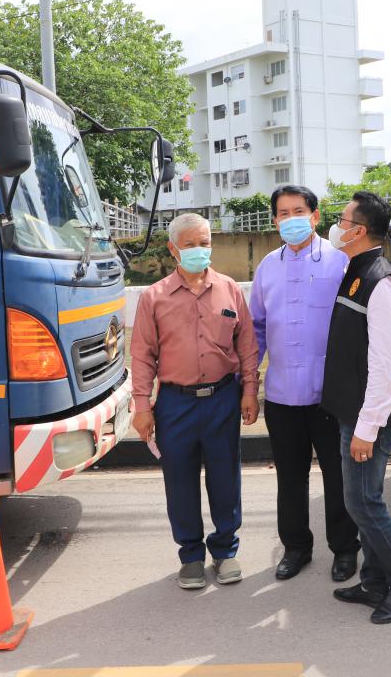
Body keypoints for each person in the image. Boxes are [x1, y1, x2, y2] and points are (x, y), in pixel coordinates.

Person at [130, 213, 260, 590]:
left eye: (205, 243)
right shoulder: (154, 297)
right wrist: (142, 406)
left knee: (225, 478)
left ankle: (225, 550)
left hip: (223, 398)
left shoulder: (229, 289)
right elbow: (142, 355)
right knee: (180, 481)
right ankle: (190, 555)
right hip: (175, 403)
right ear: (173, 249)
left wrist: (250, 391)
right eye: (190, 245)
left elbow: (247, 345)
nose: (199, 250)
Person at [322, 191, 391, 624]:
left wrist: (367, 428)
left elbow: (387, 365)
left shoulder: (381, 282)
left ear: (359, 231)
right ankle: (374, 582)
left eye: (342, 220)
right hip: (355, 408)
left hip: (371, 415)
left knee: (363, 502)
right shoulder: (357, 270)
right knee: (363, 500)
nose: (336, 227)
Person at [250, 184, 359, 583]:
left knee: (338, 476)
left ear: (315, 216)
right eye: (283, 213)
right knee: (290, 477)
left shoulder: (340, 262)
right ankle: (296, 547)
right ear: (274, 220)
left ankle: (345, 549)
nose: (291, 219)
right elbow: (256, 330)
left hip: (330, 395)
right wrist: (249, 385)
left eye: (299, 211)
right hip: (281, 395)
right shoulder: (267, 267)